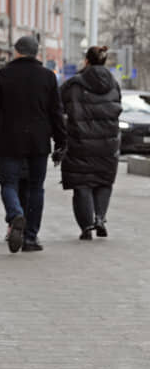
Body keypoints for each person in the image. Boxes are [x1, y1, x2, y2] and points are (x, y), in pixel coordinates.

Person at [0, 36, 66, 253]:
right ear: (36, 52)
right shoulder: (48, 77)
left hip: (9, 140)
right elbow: (56, 113)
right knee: (36, 188)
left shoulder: (3, 75)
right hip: (39, 141)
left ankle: (15, 214)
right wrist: (61, 141)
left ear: (17, 51)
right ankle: (30, 238)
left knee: (8, 183)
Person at [58, 45, 122, 240]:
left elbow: (57, 107)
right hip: (107, 144)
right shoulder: (114, 84)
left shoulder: (73, 84)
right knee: (104, 181)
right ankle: (100, 218)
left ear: (86, 61)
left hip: (80, 142)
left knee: (82, 184)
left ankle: (86, 227)